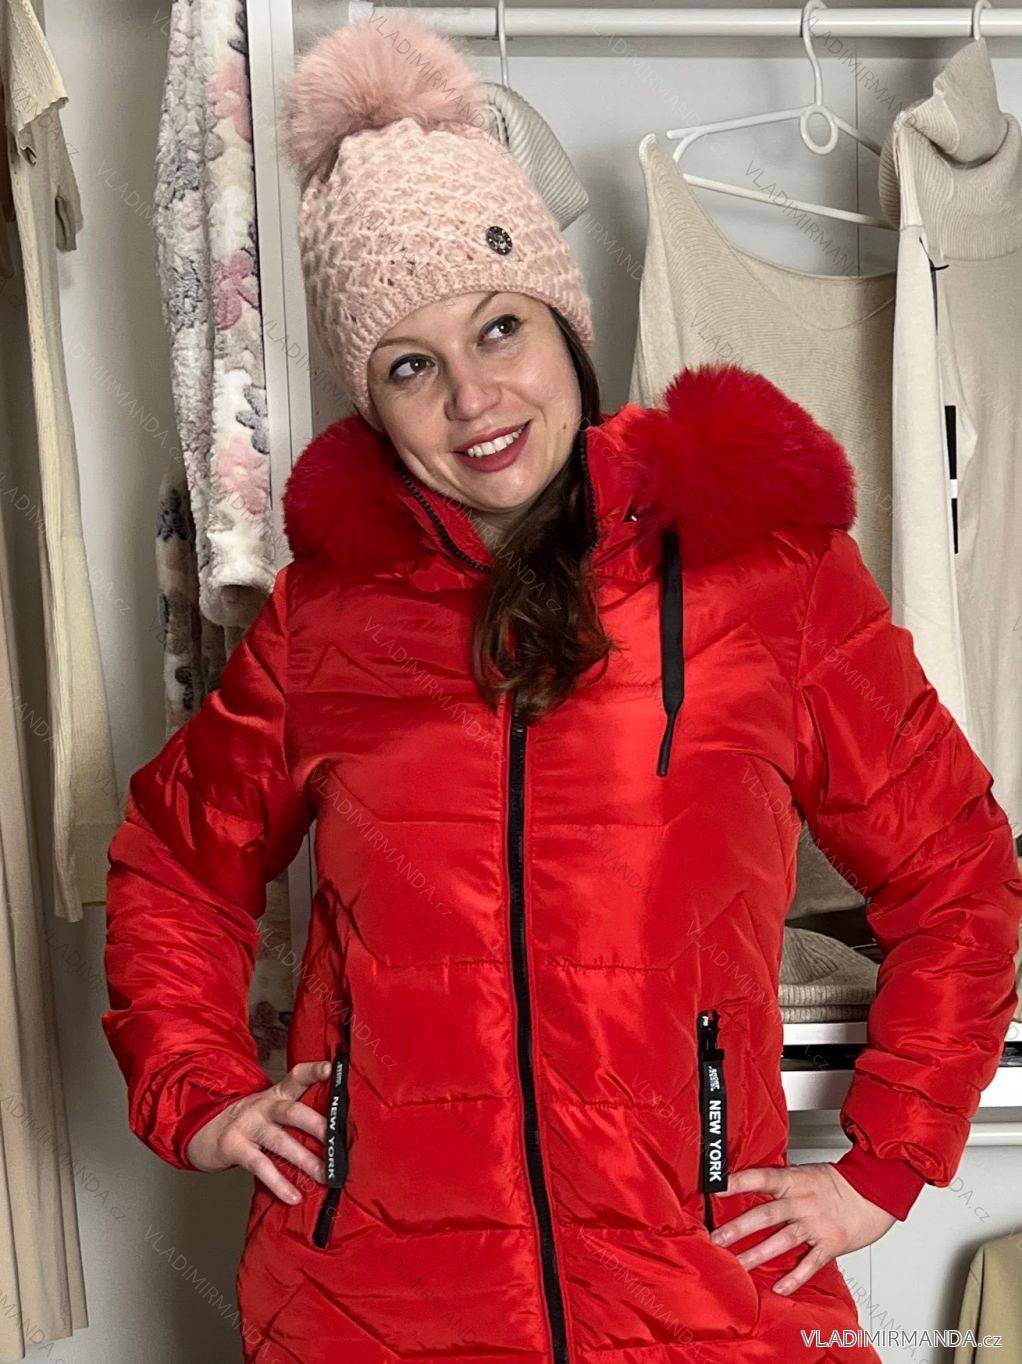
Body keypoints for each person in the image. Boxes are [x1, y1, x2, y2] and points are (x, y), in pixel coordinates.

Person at [101, 13, 1022, 1364]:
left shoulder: (762, 577)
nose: (474, 397)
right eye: (411, 365)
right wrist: (200, 1087)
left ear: (565, 328)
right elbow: (175, 865)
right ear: (372, 401)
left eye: (500, 328)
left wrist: (884, 1162)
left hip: (695, 1291)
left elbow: (958, 872)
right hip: (374, 1307)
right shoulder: (323, 626)